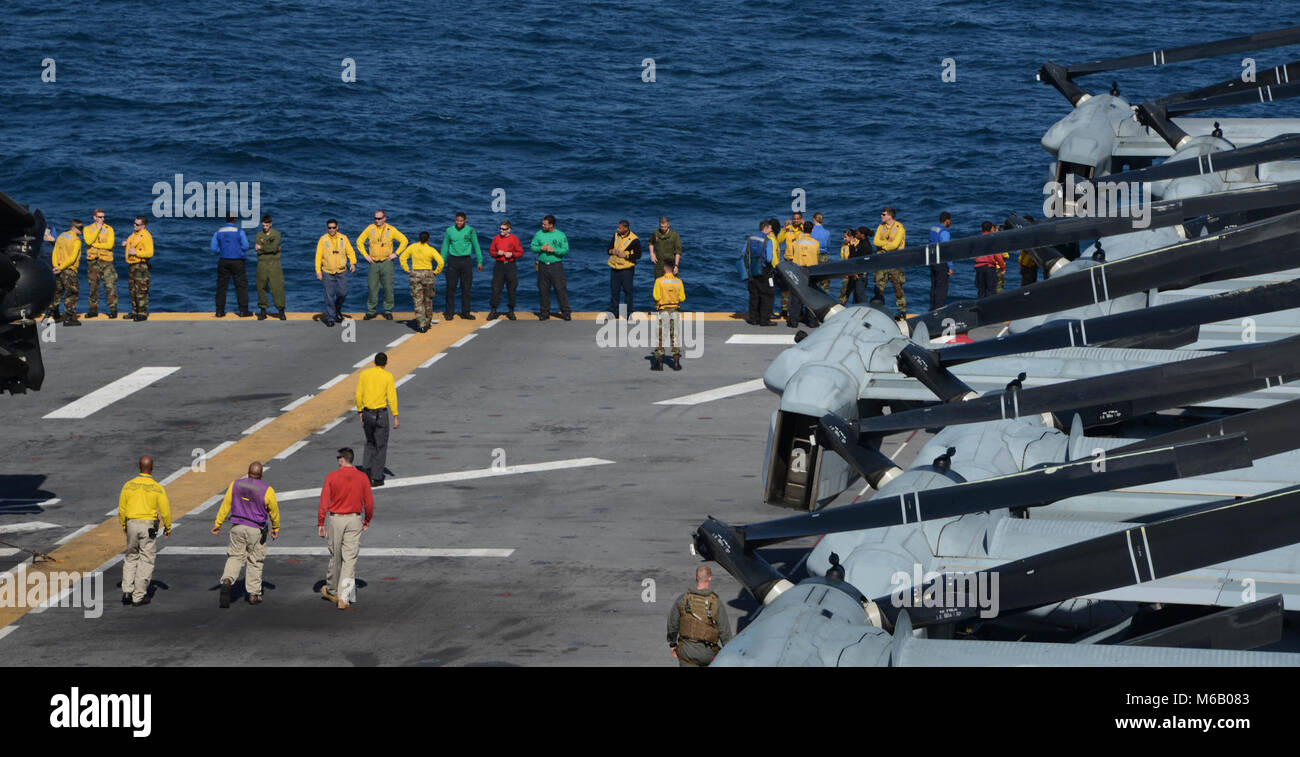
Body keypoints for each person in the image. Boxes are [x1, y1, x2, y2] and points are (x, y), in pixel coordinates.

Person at [210, 461, 281, 607]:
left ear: (248, 472)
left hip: (237, 527)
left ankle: (227, 580)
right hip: (256, 530)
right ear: (261, 474)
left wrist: (218, 524)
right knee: (255, 560)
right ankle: (254, 594)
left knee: (235, 556)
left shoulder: (235, 484)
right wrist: (276, 527)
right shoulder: (267, 490)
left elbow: (225, 505)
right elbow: (274, 511)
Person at [318, 447, 374, 610]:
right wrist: (367, 520)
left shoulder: (332, 477)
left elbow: (323, 502)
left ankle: (332, 590)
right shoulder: (362, 477)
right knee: (350, 559)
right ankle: (344, 597)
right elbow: (369, 503)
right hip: (354, 519)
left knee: (335, 556)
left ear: (342, 459)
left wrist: (321, 522)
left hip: (336, 520)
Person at [117, 455, 171, 607]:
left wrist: (123, 525)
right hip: (149, 525)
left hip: (131, 523)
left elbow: (122, 508)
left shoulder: (128, 485)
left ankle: (127, 591)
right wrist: (168, 527)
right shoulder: (157, 487)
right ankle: (138, 596)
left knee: (131, 556)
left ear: (139, 467)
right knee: (146, 559)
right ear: (152, 468)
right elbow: (165, 511)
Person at [667, 565, 732, 667]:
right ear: (710, 578)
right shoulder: (716, 603)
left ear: (696, 577)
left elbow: (672, 624)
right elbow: (725, 633)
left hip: (687, 651)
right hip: (708, 653)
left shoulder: (683, 599)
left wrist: (672, 644)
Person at [356, 351, 399, 486]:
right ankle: (377, 477)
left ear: (374, 362)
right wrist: (395, 416)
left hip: (367, 413)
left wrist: (360, 411)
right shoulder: (388, 377)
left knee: (370, 443)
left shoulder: (364, 374)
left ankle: (366, 473)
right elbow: (391, 398)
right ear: (386, 364)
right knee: (381, 445)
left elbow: (358, 395)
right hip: (381, 414)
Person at [357, 209, 408, 321]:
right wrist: (365, 255)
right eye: (375, 218)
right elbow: (359, 241)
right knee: (372, 288)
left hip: (387, 262)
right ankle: (371, 311)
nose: (377, 220)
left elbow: (404, 240)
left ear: (384, 218)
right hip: (374, 263)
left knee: (388, 288)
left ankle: (388, 311)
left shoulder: (391, 229)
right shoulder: (370, 229)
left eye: (379, 218)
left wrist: (396, 254)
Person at [399, 231, 444, 332]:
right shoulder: (431, 249)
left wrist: (407, 269)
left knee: (418, 300)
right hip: (428, 274)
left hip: (415, 274)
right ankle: (428, 321)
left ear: (419, 238)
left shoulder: (413, 247)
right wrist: (436, 272)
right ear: (428, 239)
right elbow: (441, 262)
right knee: (428, 299)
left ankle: (421, 324)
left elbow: (402, 257)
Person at [440, 212, 482, 320]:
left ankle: (465, 312)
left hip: (466, 261)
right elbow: (445, 247)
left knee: (466, 288)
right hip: (453, 260)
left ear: (465, 221)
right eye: (457, 220)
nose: (458, 222)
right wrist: (441, 262)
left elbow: (476, 246)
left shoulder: (470, 230)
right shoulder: (449, 230)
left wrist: (479, 261)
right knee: (450, 288)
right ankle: (449, 313)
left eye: (461, 221)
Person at [315, 219, 356, 327]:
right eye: (329, 228)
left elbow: (350, 252)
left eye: (333, 227)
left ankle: (337, 309)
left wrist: (353, 263)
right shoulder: (323, 240)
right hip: (327, 272)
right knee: (329, 296)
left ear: (337, 227)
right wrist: (318, 271)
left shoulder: (344, 238)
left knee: (343, 293)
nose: (332, 229)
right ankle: (330, 318)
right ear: (327, 228)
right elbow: (318, 256)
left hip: (341, 271)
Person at [210, 214, 252, 317]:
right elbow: (246, 246)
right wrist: (238, 251)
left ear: (226, 219)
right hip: (238, 261)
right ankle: (243, 311)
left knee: (222, 287)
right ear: (234, 219)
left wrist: (223, 251)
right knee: (241, 286)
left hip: (223, 260)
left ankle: (219, 311)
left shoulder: (218, 232)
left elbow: (213, 248)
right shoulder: (239, 231)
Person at [531, 214, 571, 320]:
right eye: (542, 223)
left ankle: (566, 312)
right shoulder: (539, 234)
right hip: (542, 265)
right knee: (543, 289)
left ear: (551, 225)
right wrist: (541, 248)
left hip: (556, 266)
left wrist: (554, 250)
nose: (542, 225)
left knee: (560, 289)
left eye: (545, 224)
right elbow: (532, 247)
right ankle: (544, 312)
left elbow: (565, 250)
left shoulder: (560, 235)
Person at [784, 221, 821, 327]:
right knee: (810, 296)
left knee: (796, 296)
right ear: (812, 230)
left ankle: (793, 321)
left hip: (798, 270)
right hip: (811, 271)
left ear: (803, 229)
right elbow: (817, 254)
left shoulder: (796, 242)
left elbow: (792, 254)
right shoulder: (816, 243)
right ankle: (812, 321)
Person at [83, 209, 118, 319]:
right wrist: (97, 230)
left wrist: (96, 245)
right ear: (94, 217)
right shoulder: (88, 229)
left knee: (110, 286)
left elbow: (109, 245)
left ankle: (113, 310)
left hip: (106, 261)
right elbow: (88, 241)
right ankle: (93, 310)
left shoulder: (109, 229)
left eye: (103, 217)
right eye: (99, 217)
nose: (102, 219)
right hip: (93, 261)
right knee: (93, 287)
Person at [873, 206, 907, 315]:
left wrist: (885, 247)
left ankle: (902, 313)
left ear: (889, 216)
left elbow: (895, 245)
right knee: (878, 288)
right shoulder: (880, 227)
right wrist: (886, 244)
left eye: (883, 214)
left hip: (895, 260)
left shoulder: (899, 227)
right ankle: (877, 311)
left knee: (898, 288)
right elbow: (875, 241)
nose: (881, 216)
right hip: (881, 261)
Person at [742, 219, 777, 325]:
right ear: (765, 228)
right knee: (767, 294)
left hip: (752, 270)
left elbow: (743, 252)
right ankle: (764, 320)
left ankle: (753, 318)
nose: (771, 230)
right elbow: (769, 259)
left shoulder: (750, 239)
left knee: (754, 294)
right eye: (770, 228)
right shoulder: (768, 241)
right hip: (763, 270)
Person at [651, 264, 685, 371]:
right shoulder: (678, 281)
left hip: (663, 311)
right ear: (673, 268)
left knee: (660, 336)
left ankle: (659, 363)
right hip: (675, 311)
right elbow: (682, 298)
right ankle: (676, 363)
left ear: (665, 268)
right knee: (675, 336)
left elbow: (656, 296)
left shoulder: (659, 281)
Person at [48, 220, 83, 326]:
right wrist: (62, 267)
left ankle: (51, 315)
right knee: (72, 293)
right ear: (74, 228)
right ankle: (68, 318)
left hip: (58, 268)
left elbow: (55, 251)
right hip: (69, 270)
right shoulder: (76, 240)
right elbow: (72, 258)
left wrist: (56, 266)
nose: (82, 230)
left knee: (57, 292)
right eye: (80, 228)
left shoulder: (61, 236)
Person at [487, 220, 523, 320]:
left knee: (511, 288)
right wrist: (497, 253)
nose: (501, 231)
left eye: (504, 229)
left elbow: (520, 252)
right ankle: (493, 310)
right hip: (499, 265)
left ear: (509, 230)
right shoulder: (496, 238)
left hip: (510, 265)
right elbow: (491, 251)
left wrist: (512, 254)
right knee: (496, 288)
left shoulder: (514, 239)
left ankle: (511, 311)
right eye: (500, 228)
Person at [253, 214, 287, 320]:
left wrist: (262, 248)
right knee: (261, 287)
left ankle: (281, 310)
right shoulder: (258, 235)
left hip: (274, 264)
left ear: (271, 224)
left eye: (266, 225)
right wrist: (271, 248)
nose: (265, 227)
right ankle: (263, 310)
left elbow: (274, 247)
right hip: (262, 264)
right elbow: (272, 248)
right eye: (263, 225)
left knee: (277, 287)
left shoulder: (277, 234)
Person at [607, 219, 641, 317]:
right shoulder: (615, 235)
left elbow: (638, 255)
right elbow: (608, 249)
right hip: (614, 268)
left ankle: (628, 313)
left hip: (627, 269)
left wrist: (625, 255)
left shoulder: (634, 239)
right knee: (614, 291)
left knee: (628, 291)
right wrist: (612, 251)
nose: (618, 229)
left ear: (626, 228)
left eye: (620, 228)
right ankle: (614, 312)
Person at [122, 216, 154, 321]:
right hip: (132, 266)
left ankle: (142, 313)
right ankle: (135, 311)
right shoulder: (134, 235)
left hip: (141, 266)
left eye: (137, 224)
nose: (134, 225)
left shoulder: (146, 236)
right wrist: (126, 245)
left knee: (141, 290)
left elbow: (150, 252)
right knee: (133, 290)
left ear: (143, 226)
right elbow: (132, 245)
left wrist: (137, 253)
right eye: (134, 223)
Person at [774, 212, 804, 319]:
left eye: (797, 219)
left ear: (801, 219)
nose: (795, 221)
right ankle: (784, 309)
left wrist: (803, 226)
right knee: (785, 287)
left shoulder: (803, 229)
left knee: (799, 287)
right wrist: (784, 228)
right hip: (787, 260)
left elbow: (810, 237)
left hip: (798, 261)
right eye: (794, 219)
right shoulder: (788, 228)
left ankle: (799, 309)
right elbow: (779, 240)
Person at [928, 211, 954, 311]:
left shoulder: (933, 229)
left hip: (932, 260)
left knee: (934, 286)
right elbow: (946, 250)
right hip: (941, 262)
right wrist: (950, 266)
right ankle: (939, 310)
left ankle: (931, 309)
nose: (951, 222)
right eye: (950, 220)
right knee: (941, 288)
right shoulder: (944, 232)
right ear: (947, 220)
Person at [837, 228, 868, 305]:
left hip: (856, 272)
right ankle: (841, 307)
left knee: (857, 293)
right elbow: (843, 258)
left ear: (851, 237)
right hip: (847, 272)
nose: (844, 239)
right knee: (844, 291)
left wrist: (855, 272)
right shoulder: (844, 245)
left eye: (845, 237)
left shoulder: (858, 244)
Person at [972, 221, 1002, 299]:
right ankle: (991, 309)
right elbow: (998, 256)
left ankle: (980, 309)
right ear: (991, 229)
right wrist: (1002, 267)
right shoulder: (992, 240)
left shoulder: (977, 240)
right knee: (991, 291)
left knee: (981, 291)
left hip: (979, 267)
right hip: (989, 267)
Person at [648, 216, 681, 280]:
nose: (663, 229)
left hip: (670, 265)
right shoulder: (656, 233)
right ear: (659, 225)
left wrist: (676, 266)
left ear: (668, 224)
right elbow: (650, 243)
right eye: (661, 227)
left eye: (665, 227)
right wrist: (652, 253)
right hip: (659, 264)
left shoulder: (675, 235)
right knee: (658, 283)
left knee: (672, 284)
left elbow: (678, 251)